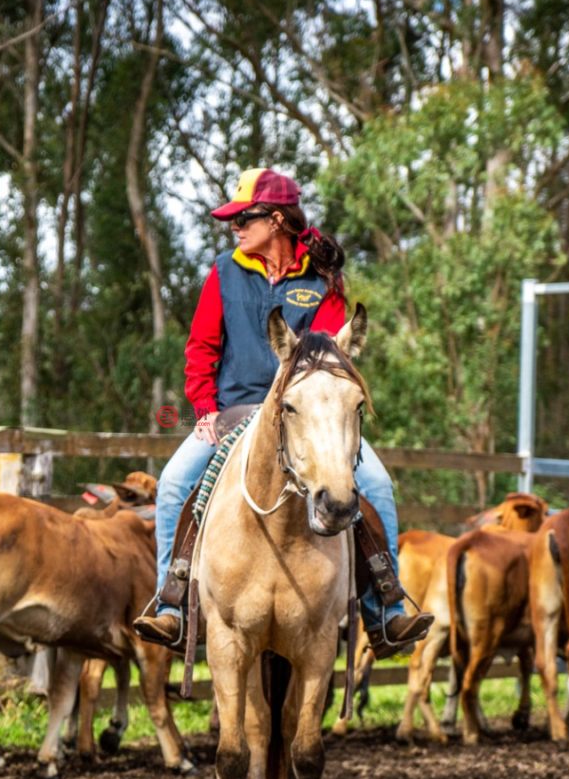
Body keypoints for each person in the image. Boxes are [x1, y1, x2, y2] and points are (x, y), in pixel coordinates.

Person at [133, 167, 432, 658]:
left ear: (275, 220)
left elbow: (336, 359)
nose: (235, 227)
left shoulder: (322, 281)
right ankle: (173, 606)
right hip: (233, 410)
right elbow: (201, 348)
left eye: (243, 218)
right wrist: (203, 409)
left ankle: (387, 613)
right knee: (171, 485)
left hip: (310, 415)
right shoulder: (224, 271)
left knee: (376, 486)